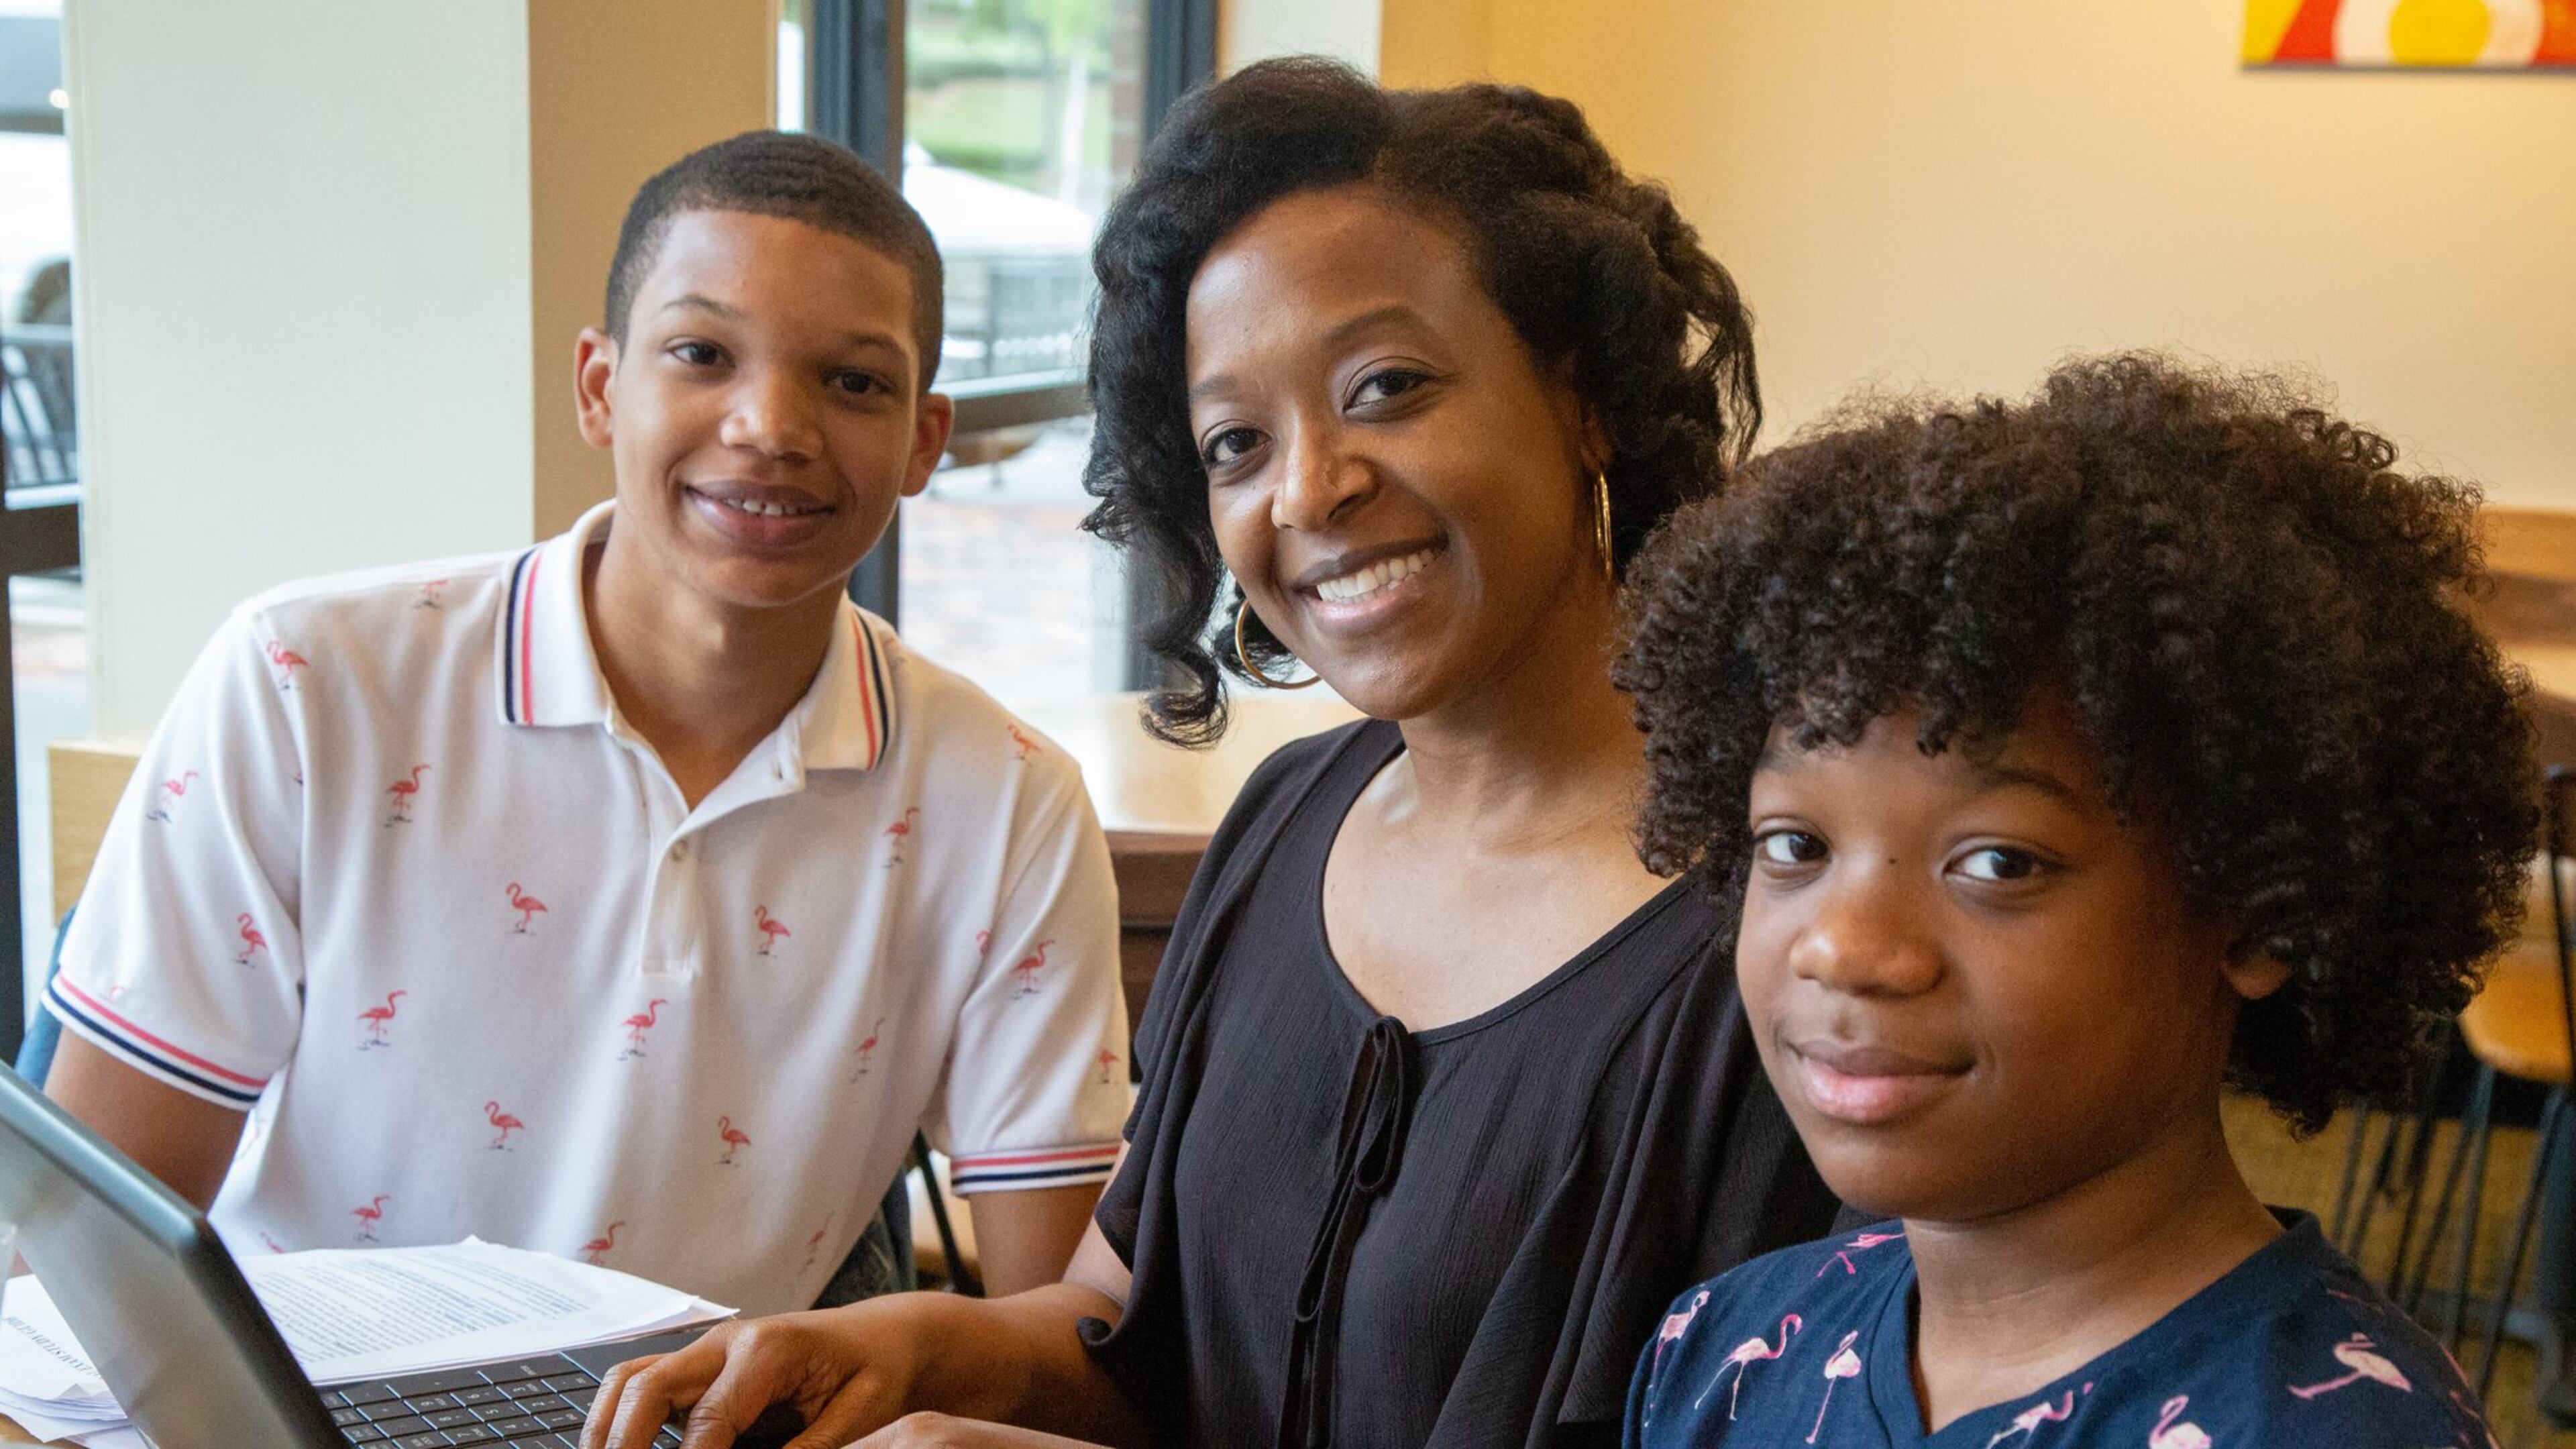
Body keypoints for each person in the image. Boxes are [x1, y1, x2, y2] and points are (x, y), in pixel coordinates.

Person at [586, 58, 1836, 1449]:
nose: (1310, 489)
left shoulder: (1794, 919)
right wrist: (910, 1345)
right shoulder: (1290, 822)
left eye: (1388, 386)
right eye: (1237, 440)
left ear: (1586, 392)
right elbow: (1128, 1340)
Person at [44, 131, 1131, 1317]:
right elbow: (87, 1270)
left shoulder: (1009, 801)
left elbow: (1059, 1334)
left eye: (855, 381)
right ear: (601, 388)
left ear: (926, 440)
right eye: (702, 353)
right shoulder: (304, 686)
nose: (772, 424)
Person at [1615, 356, 2532, 1447]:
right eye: (1795, 844)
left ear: (2255, 909)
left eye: (1999, 864)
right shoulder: (1722, 1350)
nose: (1845, 949)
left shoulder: (2333, 1430)